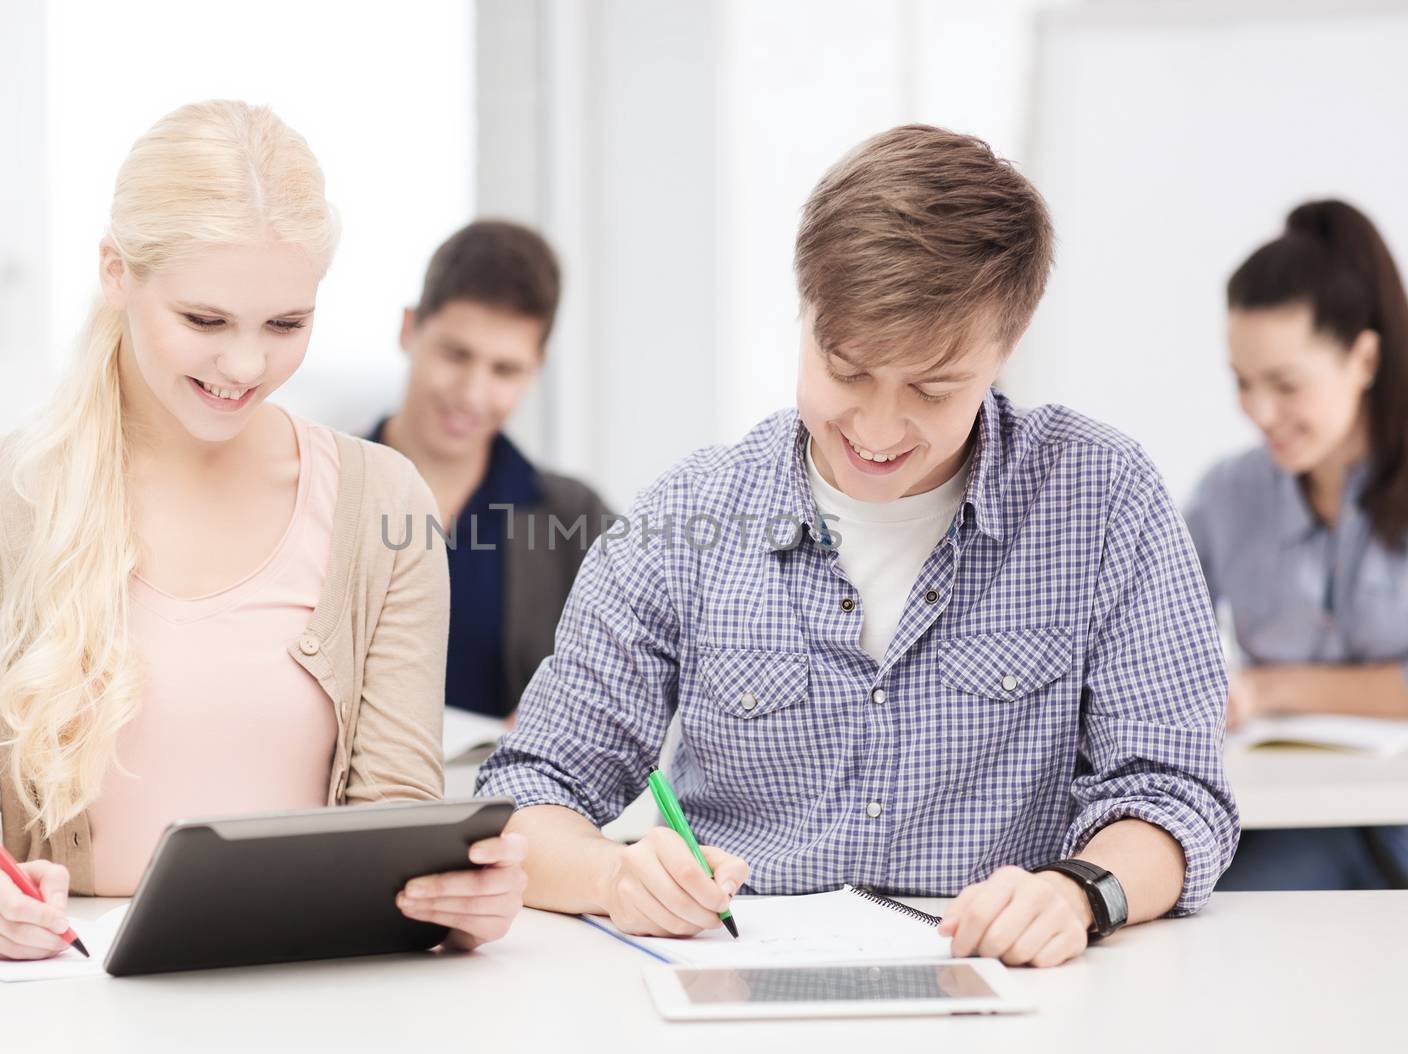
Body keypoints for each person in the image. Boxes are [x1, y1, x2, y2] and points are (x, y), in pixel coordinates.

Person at [477, 125, 1239, 968]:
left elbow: (1176, 795)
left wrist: (1078, 891)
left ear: (1007, 349)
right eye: (845, 371)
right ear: (803, 312)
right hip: (737, 985)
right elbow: (525, 791)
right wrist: (613, 877)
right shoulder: (686, 519)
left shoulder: (1102, 498)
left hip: (1005, 988)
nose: (876, 429)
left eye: (932, 386)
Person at [0, 100, 526, 960]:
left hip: (315, 978)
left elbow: (397, 815)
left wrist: (459, 899)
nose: (246, 366)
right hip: (67, 992)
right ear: (116, 272)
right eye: (205, 321)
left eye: (286, 325)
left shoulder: (384, 504)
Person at [1187, 200, 1408, 890]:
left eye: (1286, 384)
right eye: (1243, 382)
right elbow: (1148, 635)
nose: (1259, 411)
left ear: (1364, 358)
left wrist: (1267, 688)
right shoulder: (1229, 495)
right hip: (1285, 824)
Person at [370, 221, 612, 720]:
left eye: (505, 370)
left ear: (536, 368)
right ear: (408, 329)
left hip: (507, 797)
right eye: (456, 354)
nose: (473, 394)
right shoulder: (317, 490)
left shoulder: (575, 517)